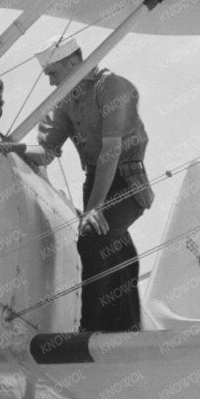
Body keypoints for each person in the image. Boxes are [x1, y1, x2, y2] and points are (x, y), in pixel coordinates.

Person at [25, 43, 153, 332]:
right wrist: (7, 147)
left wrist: (94, 208)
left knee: (93, 238)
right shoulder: (65, 100)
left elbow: (112, 151)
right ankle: (127, 324)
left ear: (72, 64)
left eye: (52, 72)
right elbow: (45, 151)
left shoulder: (112, 87)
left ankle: (91, 329)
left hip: (125, 181)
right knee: (114, 248)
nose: (50, 81)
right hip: (95, 182)